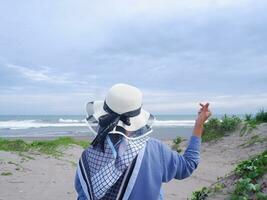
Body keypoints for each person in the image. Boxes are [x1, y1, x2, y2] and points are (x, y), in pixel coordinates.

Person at [74, 83, 211, 200]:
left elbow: (83, 195)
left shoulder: (89, 156)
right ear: (137, 117)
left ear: (103, 116)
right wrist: (199, 124)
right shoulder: (155, 150)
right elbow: (187, 166)